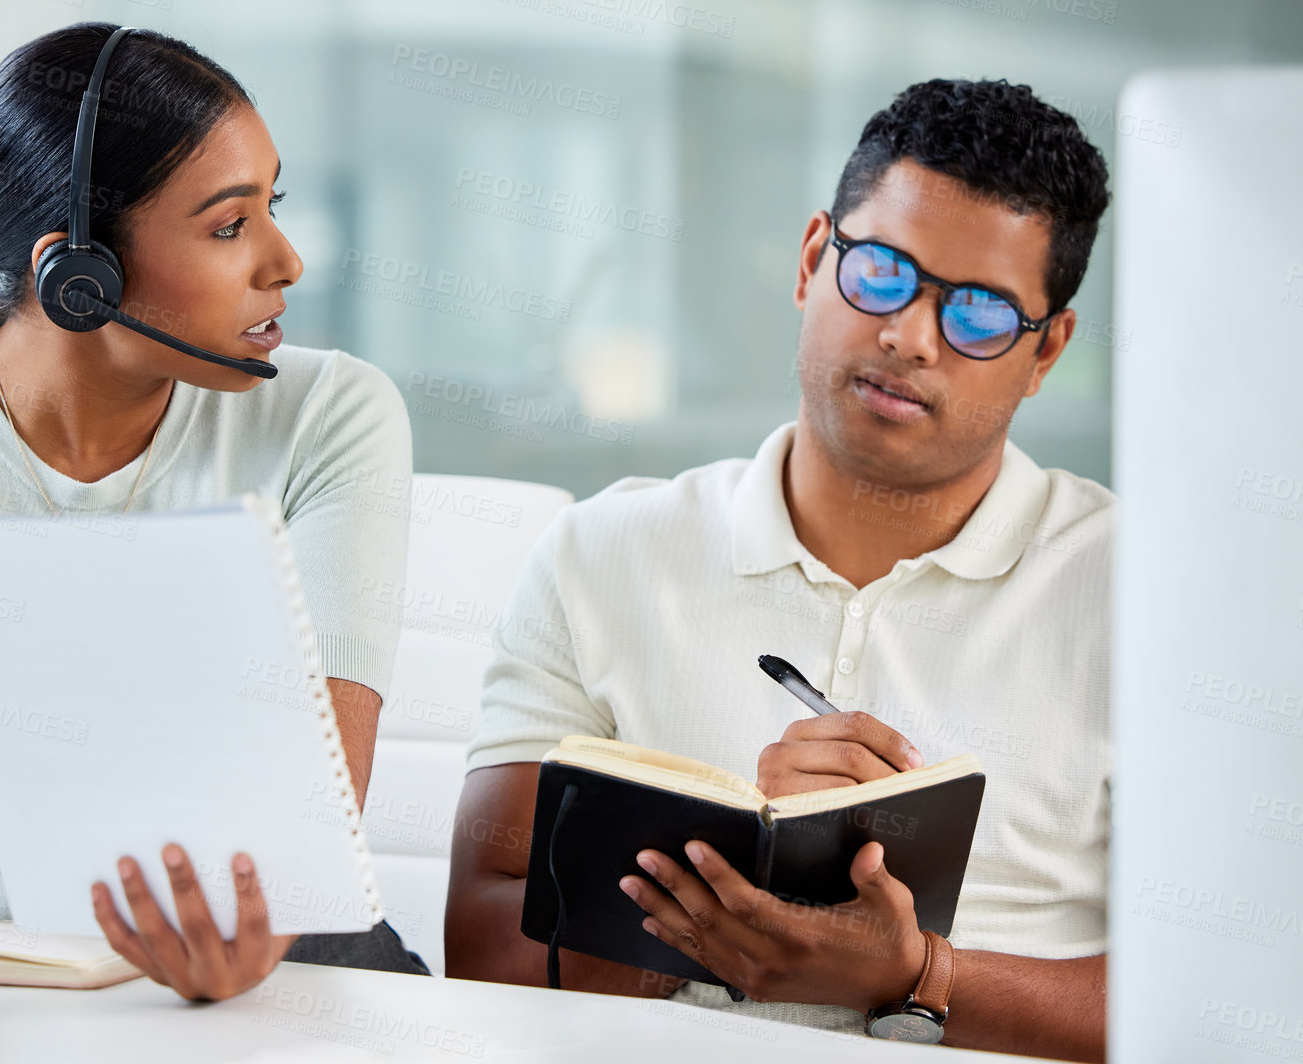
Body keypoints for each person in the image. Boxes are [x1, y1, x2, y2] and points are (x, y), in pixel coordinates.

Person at [0, 22, 426, 1000]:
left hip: (293, 961)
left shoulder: (329, 414)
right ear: (80, 276)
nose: (285, 261)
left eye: (269, 207)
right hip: (7, 994)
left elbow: (296, 836)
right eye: (230, 225)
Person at [445, 79, 1113, 1063]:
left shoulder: (1143, 596)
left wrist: (909, 973)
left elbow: (1231, 1002)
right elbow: (475, 945)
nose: (908, 337)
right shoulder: (603, 551)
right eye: (880, 274)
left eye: (976, 314)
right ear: (812, 261)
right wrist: (723, 899)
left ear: (1045, 348)